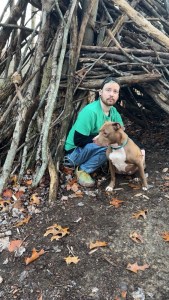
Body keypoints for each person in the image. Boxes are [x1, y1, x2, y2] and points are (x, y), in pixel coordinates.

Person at [64, 77, 124, 187]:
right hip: (74, 153)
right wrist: (103, 139)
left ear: (118, 95)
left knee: (116, 146)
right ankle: (83, 170)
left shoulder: (114, 112)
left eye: (115, 91)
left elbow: (122, 136)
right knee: (109, 148)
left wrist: (140, 149)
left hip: (91, 147)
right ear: (100, 92)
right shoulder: (90, 111)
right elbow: (78, 140)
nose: (111, 94)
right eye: (108, 90)